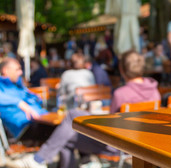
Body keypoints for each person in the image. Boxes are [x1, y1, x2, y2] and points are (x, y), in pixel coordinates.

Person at [7, 50, 161, 168]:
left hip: (119, 147)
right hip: (142, 144)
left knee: (66, 133)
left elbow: (112, 129)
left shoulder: (122, 93)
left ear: (121, 69)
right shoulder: (154, 90)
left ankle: (38, 159)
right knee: (68, 129)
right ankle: (43, 159)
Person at [0, 58, 47, 139]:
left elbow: (34, 98)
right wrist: (19, 103)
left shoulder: (18, 84)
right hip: (23, 128)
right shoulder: (2, 84)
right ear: (5, 70)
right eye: (17, 69)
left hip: (39, 120)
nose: (21, 72)